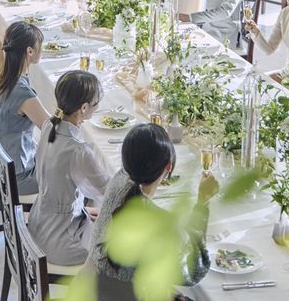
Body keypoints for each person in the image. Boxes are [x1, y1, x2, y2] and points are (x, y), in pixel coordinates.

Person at [85, 123, 218, 300]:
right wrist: (203, 202)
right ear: (169, 167)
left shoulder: (118, 180)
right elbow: (195, 271)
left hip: (92, 288)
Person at [28, 70, 109, 265]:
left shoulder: (49, 125)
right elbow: (109, 190)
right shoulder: (78, 150)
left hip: (38, 223)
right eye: (96, 103)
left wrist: (82, 209)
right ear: (84, 108)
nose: (97, 107)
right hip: (59, 241)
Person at [0, 21, 49, 195]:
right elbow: (52, 129)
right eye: (40, 45)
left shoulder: (3, 77)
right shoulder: (21, 92)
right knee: (74, 178)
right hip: (14, 176)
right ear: (30, 51)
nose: (42, 49)